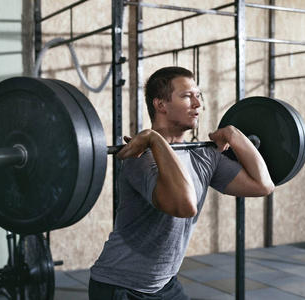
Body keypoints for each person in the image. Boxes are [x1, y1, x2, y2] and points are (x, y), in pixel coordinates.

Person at [88, 66, 274, 299]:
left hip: (165, 283)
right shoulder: (141, 158)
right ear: (160, 105)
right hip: (122, 285)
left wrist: (235, 135)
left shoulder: (204, 156)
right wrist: (154, 139)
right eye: (187, 96)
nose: (197, 104)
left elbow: (263, 185)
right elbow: (184, 207)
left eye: (198, 95)